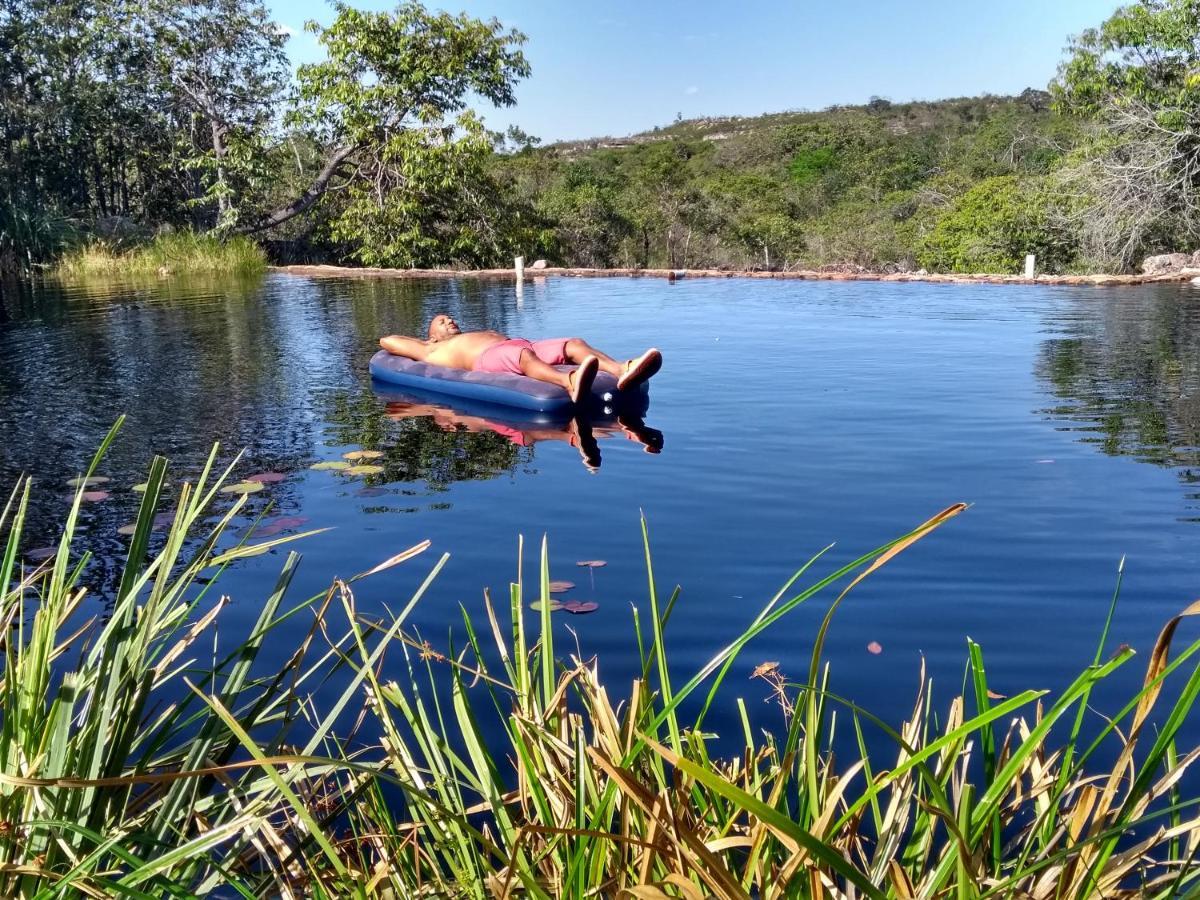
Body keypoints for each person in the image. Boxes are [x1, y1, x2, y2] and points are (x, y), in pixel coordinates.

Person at [378, 314, 663, 405]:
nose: (449, 320)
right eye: (442, 321)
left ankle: (621, 369)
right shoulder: (433, 350)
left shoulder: (471, 333)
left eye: (450, 318)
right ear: (432, 336)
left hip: (524, 344)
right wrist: (422, 343)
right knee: (521, 355)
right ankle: (569, 381)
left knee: (573, 344)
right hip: (490, 358)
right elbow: (386, 341)